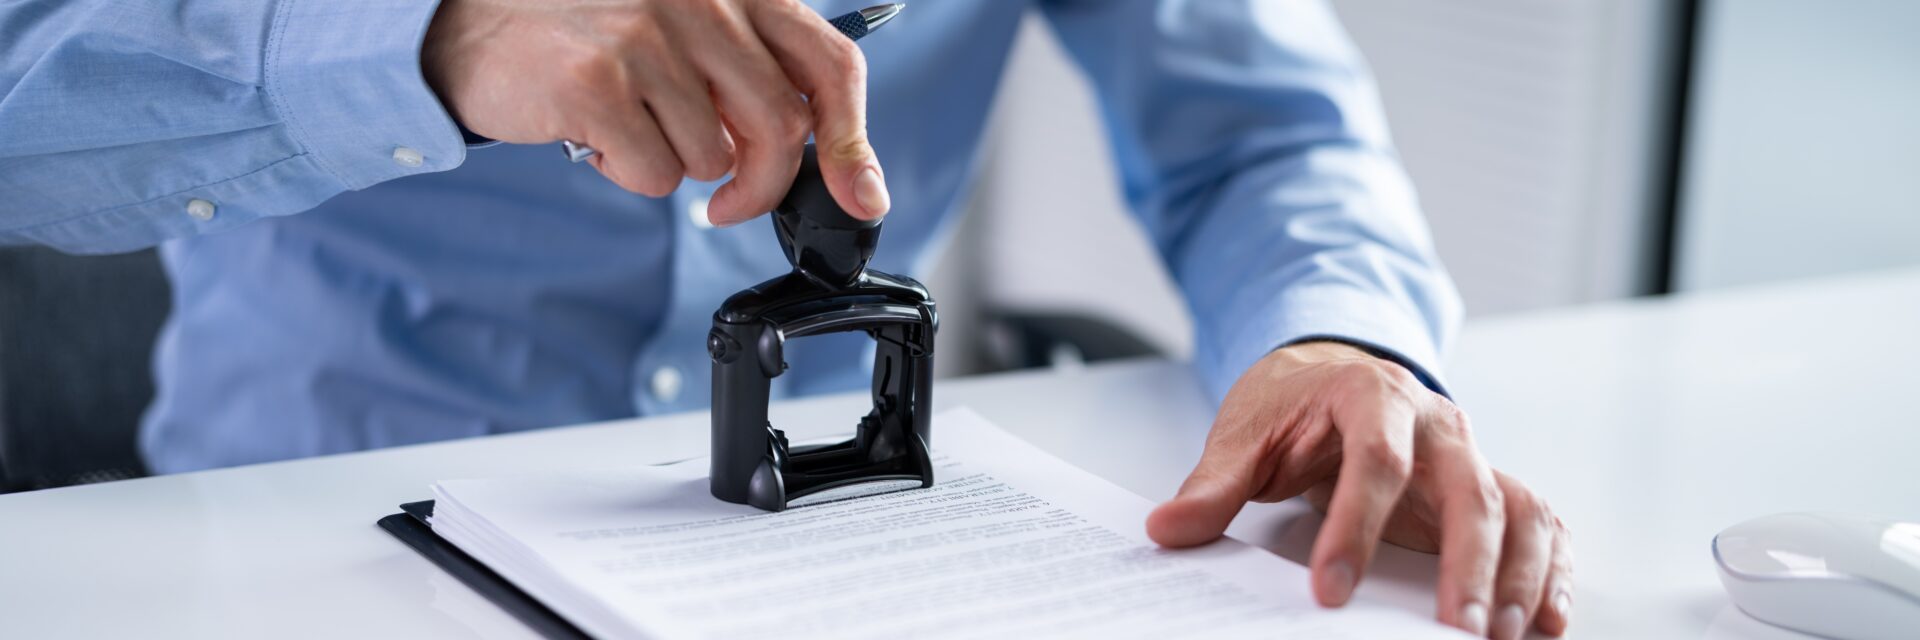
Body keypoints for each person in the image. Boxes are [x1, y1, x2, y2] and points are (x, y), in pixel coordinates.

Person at [0, 1, 1571, 637]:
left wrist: (1343, 333)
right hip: (315, 554)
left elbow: (1264, 131)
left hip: (850, 579)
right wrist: (436, 35)